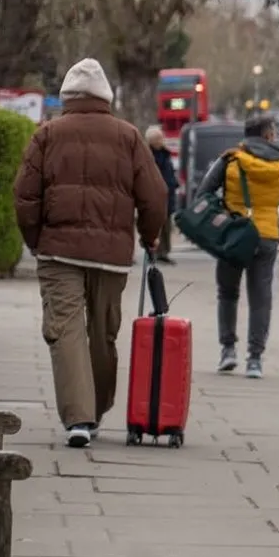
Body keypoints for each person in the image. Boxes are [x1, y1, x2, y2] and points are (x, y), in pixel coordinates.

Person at [12, 58, 168, 448]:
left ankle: (78, 419)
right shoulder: (129, 136)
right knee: (103, 332)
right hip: (111, 255)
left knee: (65, 330)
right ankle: (95, 411)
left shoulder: (46, 135)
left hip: (58, 252)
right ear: (106, 98)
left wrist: (36, 241)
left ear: (66, 97)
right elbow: (155, 196)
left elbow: (25, 196)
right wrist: (150, 237)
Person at [195, 115, 279, 379]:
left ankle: (227, 350)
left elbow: (203, 193)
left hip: (233, 234)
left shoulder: (230, 160)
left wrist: (220, 216)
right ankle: (255, 359)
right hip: (265, 236)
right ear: (268, 136)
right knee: (260, 298)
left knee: (228, 293)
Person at [144, 125, 180, 265]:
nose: (161, 140)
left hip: (168, 194)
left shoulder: (165, 153)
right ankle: (155, 252)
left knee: (167, 226)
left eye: (161, 138)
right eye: (158, 138)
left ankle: (164, 252)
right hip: (155, 195)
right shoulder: (148, 155)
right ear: (151, 141)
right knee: (156, 226)